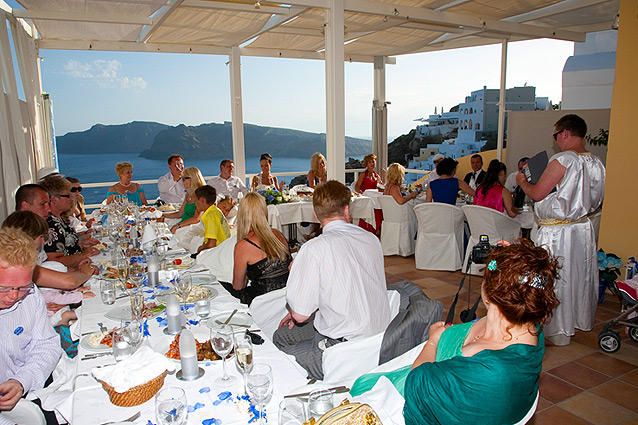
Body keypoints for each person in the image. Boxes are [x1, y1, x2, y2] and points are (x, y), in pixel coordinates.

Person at [352, 240, 560, 425]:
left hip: (404, 401)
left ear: (489, 295)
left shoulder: (484, 373)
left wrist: (433, 342)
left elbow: (417, 381)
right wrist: (514, 262)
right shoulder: (529, 325)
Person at [273, 180, 391, 380]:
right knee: (285, 334)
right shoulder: (371, 239)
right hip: (381, 341)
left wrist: (296, 275)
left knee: (278, 346)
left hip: (345, 353)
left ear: (315, 214)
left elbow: (300, 316)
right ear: (347, 210)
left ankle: (321, 390)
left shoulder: (314, 249)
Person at [516, 114, 605, 346]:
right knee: (578, 276)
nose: (555, 140)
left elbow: (537, 193)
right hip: (582, 229)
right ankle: (574, 321)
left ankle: (556, 329)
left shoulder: (564, 159)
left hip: (558, 232)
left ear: (565, 133)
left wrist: (522, 181)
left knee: (554, 277)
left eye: (556, 135)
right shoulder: (596, 162)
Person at [0, 227, 62, 425]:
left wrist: (21, 381)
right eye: (5, 288)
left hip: (28, 392)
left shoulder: (31, 295)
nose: (14, 296)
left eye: (23, 287)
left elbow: (47, 345)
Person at [14, 187, 97, 291]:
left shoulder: (35, 229)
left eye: (48, 204)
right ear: (25, 206)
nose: (48, 209)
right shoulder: (19, 237)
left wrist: (76, 269)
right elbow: (69, 282)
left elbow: (47, 268)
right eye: (42, 204)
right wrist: (85, 272)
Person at [225, 193, 292, 305]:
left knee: (220, 288)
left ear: (242, 215)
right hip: (286, 296)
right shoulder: (277, 234)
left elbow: (238, 287)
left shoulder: (243, 245)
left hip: (262, 302)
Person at [40, 176, 99, 268]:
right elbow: (54, 262)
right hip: (71, 271)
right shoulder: (51, 225)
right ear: (54, 200)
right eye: (67, 196)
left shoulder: (60, 218)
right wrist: (83, 255)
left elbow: (67, 245)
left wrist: (81, 244)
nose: (71, 199)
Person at [166, 167, 206, 233]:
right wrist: (162, 214)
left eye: (184, 179)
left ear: (192, 179)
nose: (182, 181)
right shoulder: (189, 194)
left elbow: (196, 219)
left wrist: (177, 226)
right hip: (183, 225)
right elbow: (180, 213)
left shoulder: (202, 195)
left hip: (192, 229)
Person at [195, 185, 231, 253]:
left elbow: (211, 245)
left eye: (196, 200)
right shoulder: (216, 211)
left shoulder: (210, 216)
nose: (195, 204)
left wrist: (200, 249)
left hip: (219, 253)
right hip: (224, 249)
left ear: (202, 200)